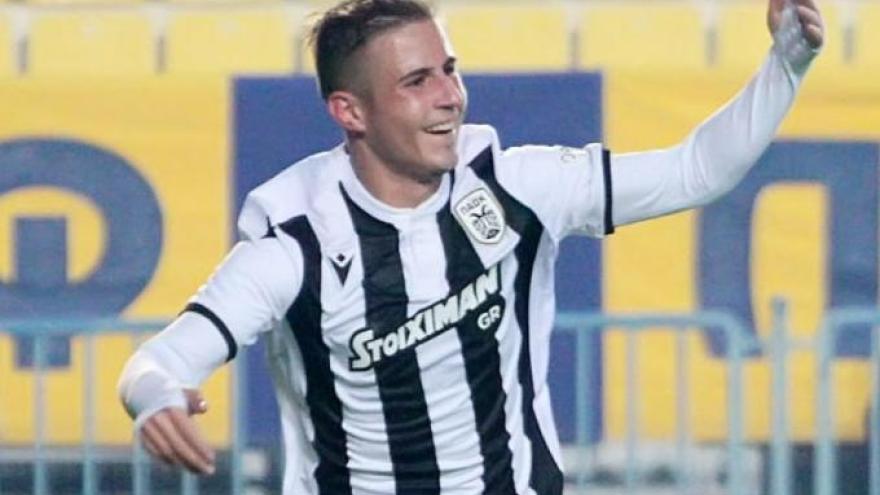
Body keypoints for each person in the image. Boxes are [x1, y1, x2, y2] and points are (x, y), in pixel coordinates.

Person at [117, 0, 824, 493]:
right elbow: (157, 362)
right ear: (350, 111)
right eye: (417, 81)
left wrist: (786, 64)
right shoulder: (296, 244)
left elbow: (696, 171)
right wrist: (154, 399)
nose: (450, 96)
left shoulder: (517, 186)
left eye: (449, 69)